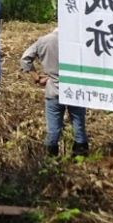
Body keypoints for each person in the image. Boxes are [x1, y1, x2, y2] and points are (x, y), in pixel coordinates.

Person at [20, 27, 88, 157]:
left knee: (53, 129)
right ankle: (81, 159)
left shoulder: (44, 41)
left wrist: (36, 77)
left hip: (53, 90)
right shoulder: (78, 40)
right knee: (79, 126)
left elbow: (25, 59)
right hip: (76, 89)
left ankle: (51, 160)